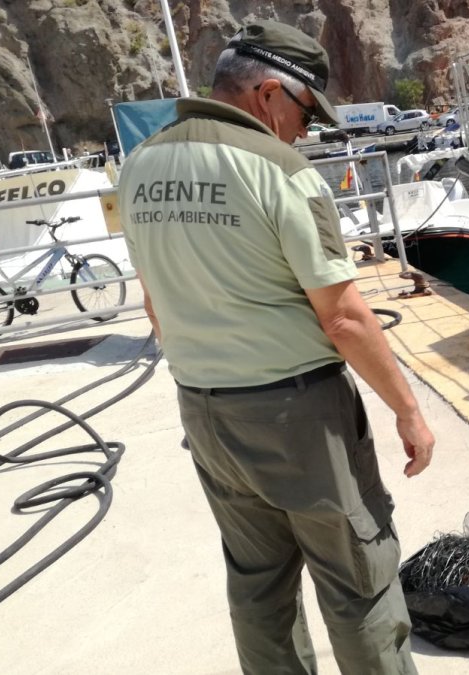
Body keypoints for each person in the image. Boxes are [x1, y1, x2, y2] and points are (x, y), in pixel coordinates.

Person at [117, 21, 434, 675]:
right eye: (305, 111)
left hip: (205, 412)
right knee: (358, 580)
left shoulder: (141, 163)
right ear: (268, 95)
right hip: (298, 416)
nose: (306, 130)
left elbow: (154, 303)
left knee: (258, 584)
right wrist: (408, 410)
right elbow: (344, 318)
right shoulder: (279, 169)